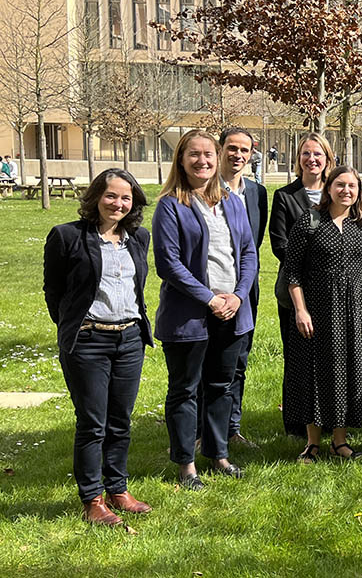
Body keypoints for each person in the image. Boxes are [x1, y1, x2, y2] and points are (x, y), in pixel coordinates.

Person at [43, 169, 154, 526]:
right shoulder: (67, 236)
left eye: (126, 197)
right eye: (111, 196)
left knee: (120, 421)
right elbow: (54, 292)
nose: (118, 203)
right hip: (88, 341)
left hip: (130, 339)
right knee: (93, 423)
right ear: (96, 197)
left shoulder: (138, 237)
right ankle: (93, 499)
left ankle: (118, 490)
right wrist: (72, 327)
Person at [153, 129, 257, 489]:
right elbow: (168, 264)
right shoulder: (171, 205)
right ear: (181, 160)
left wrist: (238, 296)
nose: (203, 161)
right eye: (194, 154)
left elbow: (247, 254)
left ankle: (219, 454)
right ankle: (186, 465)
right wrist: (210, 299)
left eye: (208, 154)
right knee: (185, 389)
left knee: (220, 387)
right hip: (190, 316)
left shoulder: (231, 201)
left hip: (232, 310)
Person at [283, 165, 362, 463]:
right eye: (340, 185)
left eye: (352, 186)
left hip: (355, 313)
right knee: (314, 372)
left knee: (346, 373)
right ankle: (312, 443)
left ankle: (339, 441)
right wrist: (300, 310)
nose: (346, 191)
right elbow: (292, 271)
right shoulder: (310, 221)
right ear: (329, 188)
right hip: (315, 311)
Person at [204, 128, 268, 449]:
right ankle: (204, 433)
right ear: (220, 150)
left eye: (245, 149)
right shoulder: (204, 190)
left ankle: (232, 428)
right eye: (232, 148)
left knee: (239, 361)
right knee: (207, 362)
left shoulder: (257, 193)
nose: (238, 155)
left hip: (245, 292)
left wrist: (243, 289)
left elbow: (252, 246)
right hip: (209, 292)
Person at [269, 133, 336, 437]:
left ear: (327, 159)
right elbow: (280, 245)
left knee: (329, 356)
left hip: (333, 292)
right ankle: (296, 422)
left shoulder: (337, 193)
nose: (312, 159)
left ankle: (329, 418)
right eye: (306, 154)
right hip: (296, 291)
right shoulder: (285, 196)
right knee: (297, 357)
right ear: (298, 159)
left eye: (318, 154)